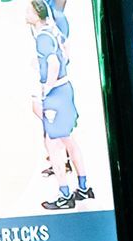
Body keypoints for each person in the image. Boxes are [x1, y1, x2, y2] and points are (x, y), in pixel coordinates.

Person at [29, 0, 91, 210]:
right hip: (64, 91)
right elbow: (65, 53)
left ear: (37, 13)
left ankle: (65, 195)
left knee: (53, 145)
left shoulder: (43, 37)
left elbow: (54, 62)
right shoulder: (55, 28)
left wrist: (43, 92)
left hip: (56, 94)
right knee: (68, 140)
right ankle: (83, 187)